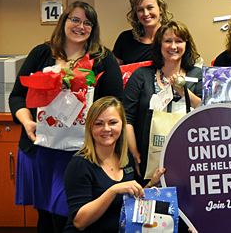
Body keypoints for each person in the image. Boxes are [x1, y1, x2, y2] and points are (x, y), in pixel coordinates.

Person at [9, 1, 124, 233]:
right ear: (64, 21)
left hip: (78, 151)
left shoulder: (103, 59)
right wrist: (27, 121)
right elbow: (17, 96)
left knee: (66, 214)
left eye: (87, 22)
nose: (80, 26)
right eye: (75, 19)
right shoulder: (41, 54)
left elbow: (114, 104)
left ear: (93, 28)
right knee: (44, 216)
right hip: (40, 148)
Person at [64, 96, 165, 233]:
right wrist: (113, 190)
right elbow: (79, 221)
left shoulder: (126, 158)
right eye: (98, 124)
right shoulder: (80, 164)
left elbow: (130, 200)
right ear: (89, 127)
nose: (106, 129)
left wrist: (150, 185)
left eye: (112, 123)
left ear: (122, 124)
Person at [123, 21, 203, 178]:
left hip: (189, 157)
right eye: (168, 41)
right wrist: (135, 154)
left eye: (179, 41)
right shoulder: (141, 75)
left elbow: (206, 111)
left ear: (186, 45)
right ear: (159, 45)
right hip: (146, 159)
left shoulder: (197, 75)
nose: (173, 46)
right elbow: (127, 118)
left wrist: (182, 91)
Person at [114, 0, 174, 65]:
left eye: (150, 8)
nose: (146, 13)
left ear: (160, 9)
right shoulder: (125, 38)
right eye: (140, 10)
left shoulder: (174, 37)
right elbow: (114, 70)